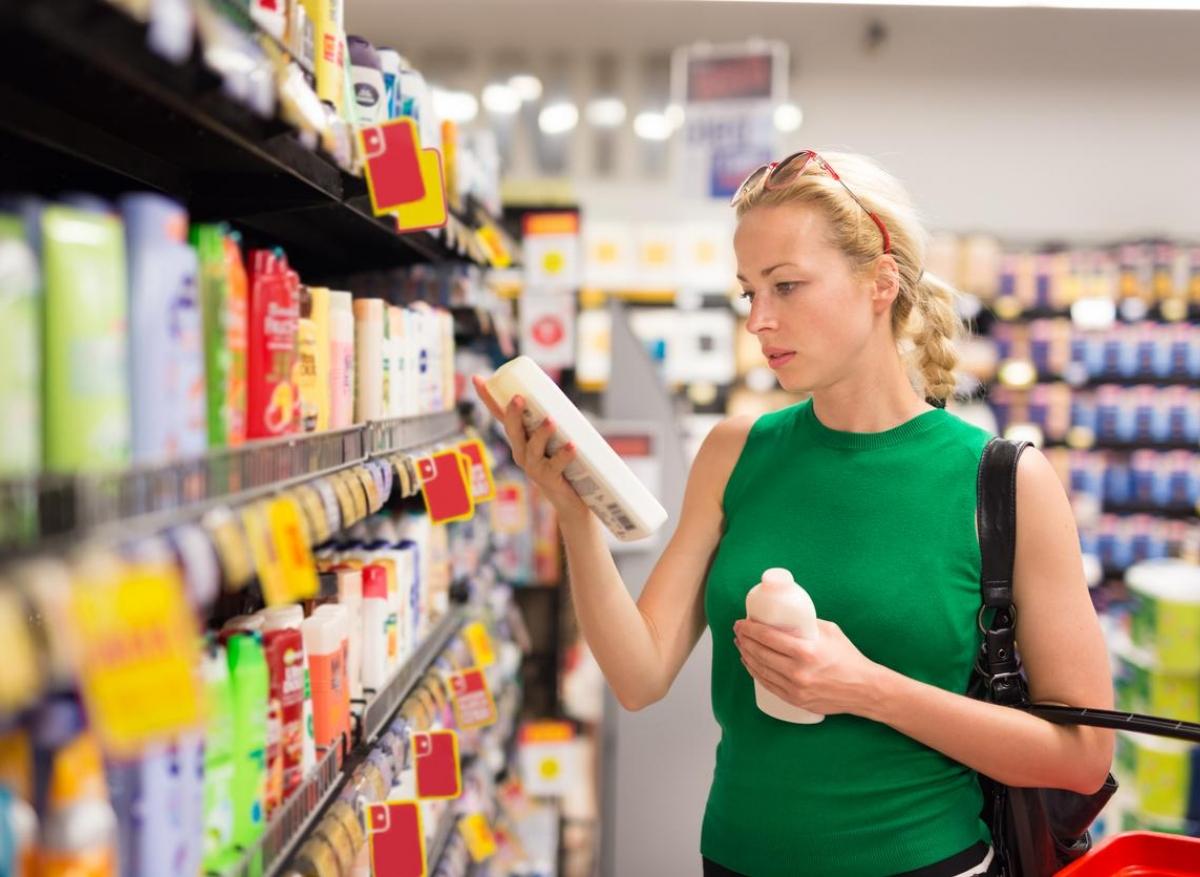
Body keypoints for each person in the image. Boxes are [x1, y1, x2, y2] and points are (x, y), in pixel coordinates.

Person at [473, 150, 1114, 877]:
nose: (759, 320)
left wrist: (864, 687)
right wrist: (574, 512)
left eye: (786, 286)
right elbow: (639, 675)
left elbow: (1083, 757)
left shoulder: (1005, 483)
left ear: (880, 282)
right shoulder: (735, 452)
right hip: (735, 859)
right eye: (749, 292)